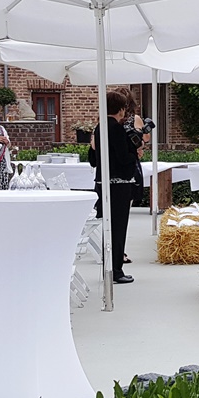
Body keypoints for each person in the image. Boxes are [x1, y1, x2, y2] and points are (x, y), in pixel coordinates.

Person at [89, 90, 142, 284]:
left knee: (108, 227)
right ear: (121, 109)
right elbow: (123, 158)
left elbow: (93, 158)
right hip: (119, 186)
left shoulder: (99, 128)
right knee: (118, 228)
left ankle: (108, 267)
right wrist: (134, 154)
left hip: (102, 183)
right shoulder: (117, 129)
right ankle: (116, 270)